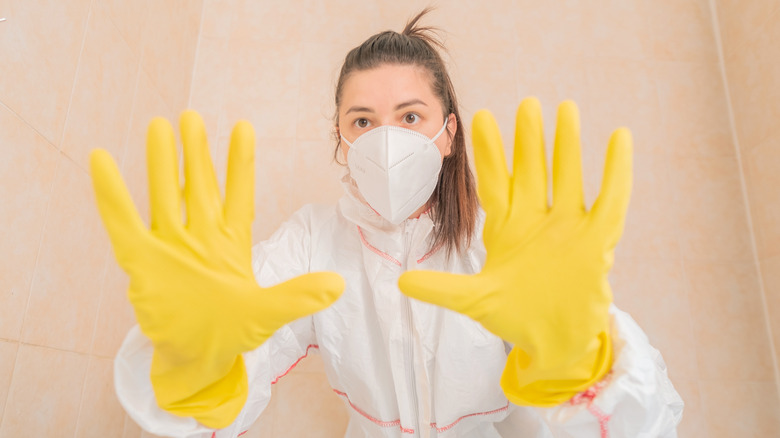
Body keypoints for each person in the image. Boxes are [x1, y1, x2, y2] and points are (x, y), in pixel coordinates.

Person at [90, 9, 684, 438]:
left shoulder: (500, 240)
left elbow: (648, 419)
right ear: (341, 139)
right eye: (364, 122)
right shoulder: (311, 240)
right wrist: (196, 365)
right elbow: (239, 352)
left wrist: (580, 365)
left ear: (448, 133)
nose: (388, 139)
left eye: (410, 115)